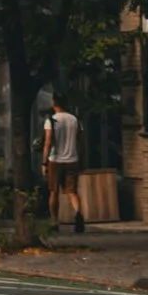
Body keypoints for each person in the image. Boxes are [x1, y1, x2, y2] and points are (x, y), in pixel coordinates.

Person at [40, 85, 84, 236]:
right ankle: (78, 212)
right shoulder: (75, 120)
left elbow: (48, 142)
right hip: (72, 159)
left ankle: (54, 221)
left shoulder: (51, 121)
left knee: (53, 192)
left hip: (55, 160)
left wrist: (44, 162)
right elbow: (80, 141)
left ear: (54, 104)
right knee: (72, 191)